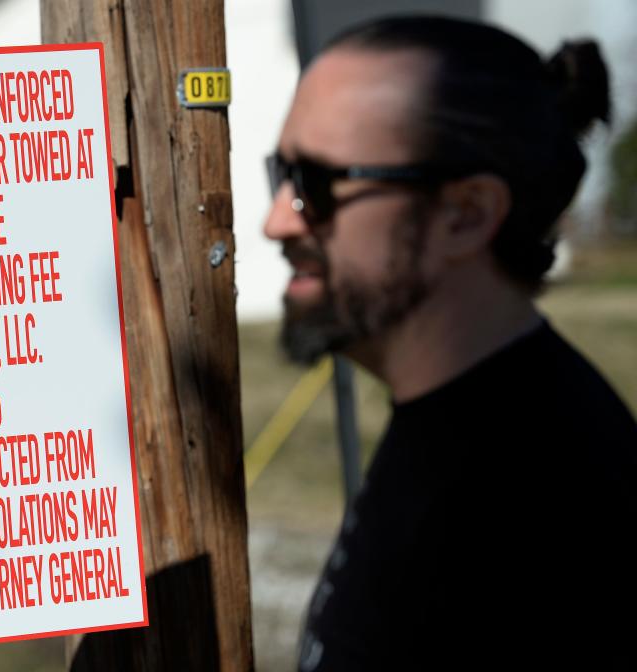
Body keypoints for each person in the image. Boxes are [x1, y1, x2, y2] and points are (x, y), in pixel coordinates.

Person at [263, 15, 637, 671]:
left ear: (466, 214)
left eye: (318, 184)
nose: (277, 221)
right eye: (282, 173)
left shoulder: (543, 507)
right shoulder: (458, 427)